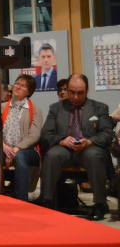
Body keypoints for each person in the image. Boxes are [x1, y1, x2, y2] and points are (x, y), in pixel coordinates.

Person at [35, 74, 113, 220]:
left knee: (94, 155)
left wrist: (90, 141)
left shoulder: (99, 108)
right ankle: (47, 200)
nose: (75, 97)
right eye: (72, 92)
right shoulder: (56, 108)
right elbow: (46, 134)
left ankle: (100, 204)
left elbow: (108, 134)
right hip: (65, 148)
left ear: (87, 90)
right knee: (52, 155)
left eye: (80, 93)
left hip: (89, 147)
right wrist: (62, 140)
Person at [0, 74, 42, 201]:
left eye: (22, 86)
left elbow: (34, 135)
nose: (17, 87)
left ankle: (21, 200)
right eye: (17, 83)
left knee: (21, 157)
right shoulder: (1, 108)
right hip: (4, 147)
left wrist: (17, 149)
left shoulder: (35, 110)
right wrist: (3, 146)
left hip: (26, 150)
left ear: (29, 92)